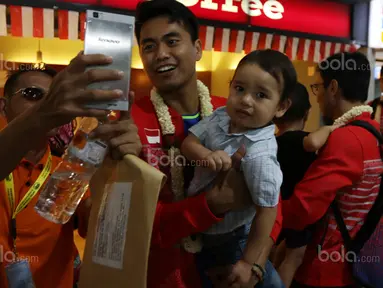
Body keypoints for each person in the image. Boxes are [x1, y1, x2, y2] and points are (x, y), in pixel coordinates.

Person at [131, 0, 284, 287]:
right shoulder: (131, 123)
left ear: (198, 49)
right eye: (149, 46)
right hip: (169, 276)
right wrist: (210, 204)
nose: (161, 54)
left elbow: (270, 197)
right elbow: (134, 222)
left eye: (172, 41)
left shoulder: (231, 113)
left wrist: (255, 265)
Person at [0, 54, 141, 288]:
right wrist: (45, 111)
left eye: (54, 97)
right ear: (3, 106)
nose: (51, 105)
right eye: (33, 95)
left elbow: (99, 228)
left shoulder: (66, 168)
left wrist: (116, 167)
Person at [180, 49, 294, 287]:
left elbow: (268, 211)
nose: (246, 100)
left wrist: (248, 262)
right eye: (240, 89)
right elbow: (188, 143)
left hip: (235, 241)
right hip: (203, 233)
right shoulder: (221, 116)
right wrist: (206, 155)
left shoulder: (259, 155)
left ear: (281, 107)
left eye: (261, 95)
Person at [283, 52, 383, 287]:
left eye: (318, 87)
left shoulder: (345, 139)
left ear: (333, 87)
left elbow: (302, 209)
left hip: (323, 270)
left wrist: (261, 212)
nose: (316, 97)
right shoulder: (372, 133)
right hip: (350, 263)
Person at [272, 83, 317, 287]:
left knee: (278, 255)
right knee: (293, 259)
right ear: (307, 112)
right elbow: (315, 142)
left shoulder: (272, 142)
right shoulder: (304, 141)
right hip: (299, 210)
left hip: (278, 209)